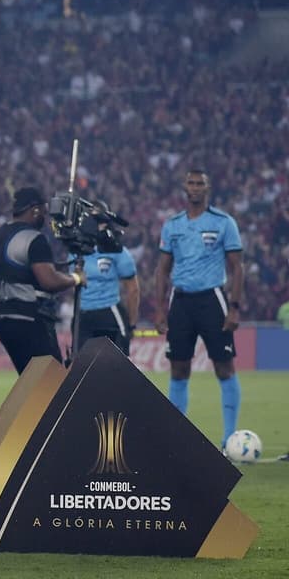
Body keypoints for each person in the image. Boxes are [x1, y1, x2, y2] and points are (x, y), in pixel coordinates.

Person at [155, 169, 244, 447]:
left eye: (199, 184)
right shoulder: (172, 225)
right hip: (180, 302)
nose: (194, 187)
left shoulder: (224, 222)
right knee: (178, 369)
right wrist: (159, 308)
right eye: (191, 183)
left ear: (208, 188)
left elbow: (237, 267)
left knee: (224, 368)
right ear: (185, 187)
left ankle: (229, 439)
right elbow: (162, 269)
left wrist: (234, 307)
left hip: (212, 300)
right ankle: (176, 438)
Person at [0, 186, 84, 374]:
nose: (45, 216)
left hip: (3, 318)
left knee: (30, 381)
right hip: (29, 318)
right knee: (50, 382)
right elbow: (49, 281)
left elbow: (5, 272)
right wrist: (76, 278)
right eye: (43, 211)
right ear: (34, 210)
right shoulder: (34, 238)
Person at [71, 202, 139, 358]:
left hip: (91, 314)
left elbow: (133, 290)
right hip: (102, 314)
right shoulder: (117, 250)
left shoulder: (75, 249)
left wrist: (131, 324)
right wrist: (131, 324)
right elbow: (133, 289)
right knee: (116, 365)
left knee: (83, 366)